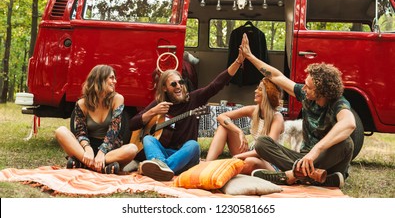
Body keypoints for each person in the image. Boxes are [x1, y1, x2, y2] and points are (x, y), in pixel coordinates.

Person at [240, 33, 356, 188]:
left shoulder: (338, 103)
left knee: (347, 143)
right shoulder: (306, 95)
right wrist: (249, 56)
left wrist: (316, 150)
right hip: (303, 158)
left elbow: (349, 124)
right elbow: (276, 76)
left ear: (322, 91)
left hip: (326, 160)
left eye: (309, 86)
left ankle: (289, 175)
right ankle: (317, 178)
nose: (304, 88)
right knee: (262, 143)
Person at [129, 50, 245, 181]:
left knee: (193, 145)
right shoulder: (159, 104)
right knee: (148, 139)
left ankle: (162, 168)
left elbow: (216, 85)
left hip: (186, 156)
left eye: (181, 82)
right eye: (173, 84)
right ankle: (163, 167)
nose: (178, 86)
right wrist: (152, 111)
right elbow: (133, 124)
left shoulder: (195, 99)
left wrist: (238, 62)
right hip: (165, 153)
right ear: (165, 88)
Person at [55, 64, 138, 174]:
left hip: (109, 150)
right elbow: (80, 132)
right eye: (111, 78)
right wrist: (87, 149)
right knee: (60, 131)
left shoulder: (117, 99)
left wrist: (102, 152)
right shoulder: (82, 103)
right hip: (86, 149)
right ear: (100, 79)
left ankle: (84, 164)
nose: (115, 81)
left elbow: (114, 130)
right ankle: (103, 167)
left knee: (132, 149)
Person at [205, 78, 284, 175]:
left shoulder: (277, 117)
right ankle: (206, 166)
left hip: (269, 161)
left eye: (259, 89)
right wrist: (239, 131)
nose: (255, 91)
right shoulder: (253, 110)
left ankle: (223, 171)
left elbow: (267, 149)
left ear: (268, 94)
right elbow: (221, 117)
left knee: (251, 161)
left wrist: (239, 156)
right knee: (224, 127)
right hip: (250, 152)